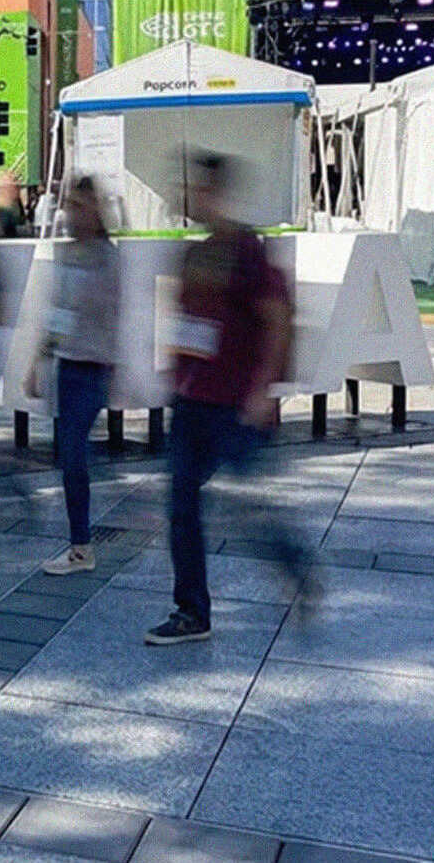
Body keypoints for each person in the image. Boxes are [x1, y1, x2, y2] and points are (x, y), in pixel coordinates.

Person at [149, 154, 308, 645]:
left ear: (214, 193)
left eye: (195, 189)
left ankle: (292, 561)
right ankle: (191, 612)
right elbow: (186, 324)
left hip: (232, 402)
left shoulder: (247, 250)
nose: (187, 198)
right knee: (182, 504)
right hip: (191, 400)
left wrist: (263, 389)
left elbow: (279, 318)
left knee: (245, 504)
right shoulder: (193, 253)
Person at [30, 177, 121, 576]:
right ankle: (80, 544)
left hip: (94, 366)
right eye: (70, 205)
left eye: (81, 206)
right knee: (69, 456)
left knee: (72, 453)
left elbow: (120, 315)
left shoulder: (109, 257)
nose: (72, 213)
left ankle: (82, 547)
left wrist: (119, 366)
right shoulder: (67, 255)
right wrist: (40, 358)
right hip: (68, 364)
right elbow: (59, 312)